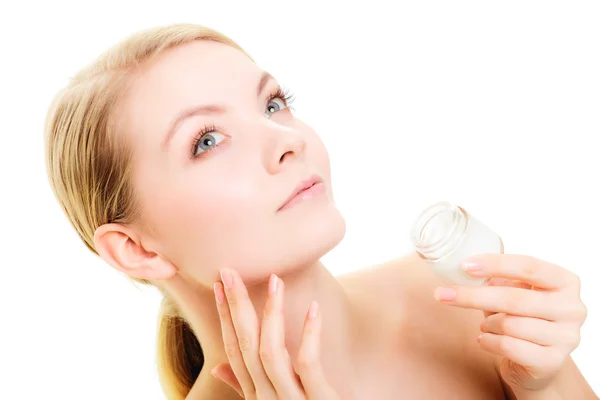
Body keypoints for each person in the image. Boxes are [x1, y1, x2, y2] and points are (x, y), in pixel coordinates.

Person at [43, 23, 597, 400]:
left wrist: (544, 387)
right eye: (207, 140)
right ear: (136, 249)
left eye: (272, 103)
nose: (285, 140)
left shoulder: (456, 298)